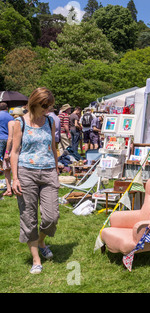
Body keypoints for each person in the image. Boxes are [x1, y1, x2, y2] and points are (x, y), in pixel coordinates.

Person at [10, 87, 60, 275]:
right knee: (29, 217)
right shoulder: (19, 123)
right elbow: (14, 152)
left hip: (48, 173)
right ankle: (36, 259)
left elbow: (53, 148)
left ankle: (40, 241)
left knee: (51, 217)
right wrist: (15, 178)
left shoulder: (49, 121)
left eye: (49, 106)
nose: (47, 110)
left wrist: (56, 171)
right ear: (34, 102)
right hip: (26, 173)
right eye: (44, 106)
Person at [0, 102, 14, 196]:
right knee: (8, 159)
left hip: (0, 138)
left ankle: (2, 171)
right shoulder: (11, 117)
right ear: (7, 108)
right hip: (9, 139)